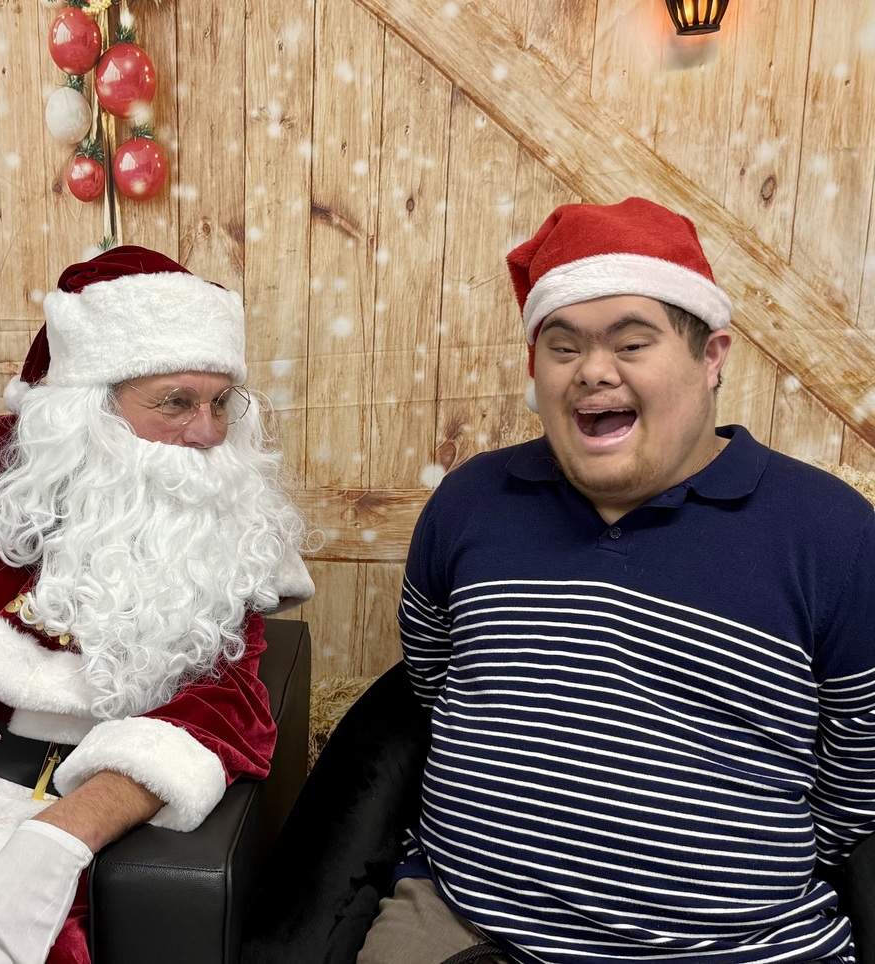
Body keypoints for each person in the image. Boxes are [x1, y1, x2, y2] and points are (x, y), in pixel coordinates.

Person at [357, 197, 875, 963]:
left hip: (734, 945)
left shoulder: (832, 531)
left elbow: (857, 767)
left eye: (632, 343)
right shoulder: (469, 502)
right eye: (563, 347)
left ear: (711, 356)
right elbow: (433, 673)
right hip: (467, 918)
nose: (594, 371)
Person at [0, 245, 314, 963]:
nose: (209, 432)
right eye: (176, 402)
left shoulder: (217, 526)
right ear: (88, 406)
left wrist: (61, 837)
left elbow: (221, 711)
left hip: (26, 822)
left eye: (222, 401)